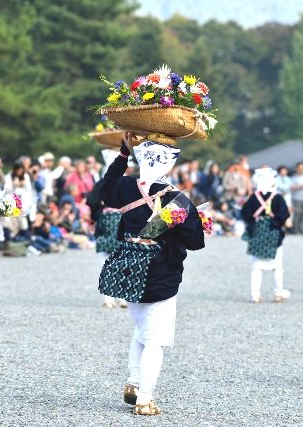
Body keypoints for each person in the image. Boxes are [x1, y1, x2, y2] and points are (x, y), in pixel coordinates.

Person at [98, 133, 205, 416]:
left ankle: (134, 383)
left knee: (142, 330)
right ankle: (145, 398)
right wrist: (198, 222)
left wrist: (122, 156)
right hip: (161, 273)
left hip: (129, 269)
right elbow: (195, 242)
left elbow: (103, 190)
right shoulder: (178, 200)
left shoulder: (124, 187)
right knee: (155, 338)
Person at [241, 168, 290, 303]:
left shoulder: (252, 198)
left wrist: (254, 222)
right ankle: (278, 293)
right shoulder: (277, 198)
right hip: (274, 233)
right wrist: (274, 222)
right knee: (277, 266)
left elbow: (245, 213)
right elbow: (284, 214)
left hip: (257, 232)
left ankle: (254, 295)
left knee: (256, 267)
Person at [88, 149, 126, 308]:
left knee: (112, 264)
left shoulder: (103, 184)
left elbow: (91, 202)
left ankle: (113, 298)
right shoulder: (125, 183)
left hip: (113, 224)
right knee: (120, 263)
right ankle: (115, 298)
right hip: (116, 224)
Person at [290, 162, 303, 234]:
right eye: (300, 168)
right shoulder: (293, 178)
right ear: (297, 169)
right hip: (296, 198)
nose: (301, 170)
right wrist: (300, 187)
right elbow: (291, 188)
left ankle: (302, 230)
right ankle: (295, 230)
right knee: (297, 215)